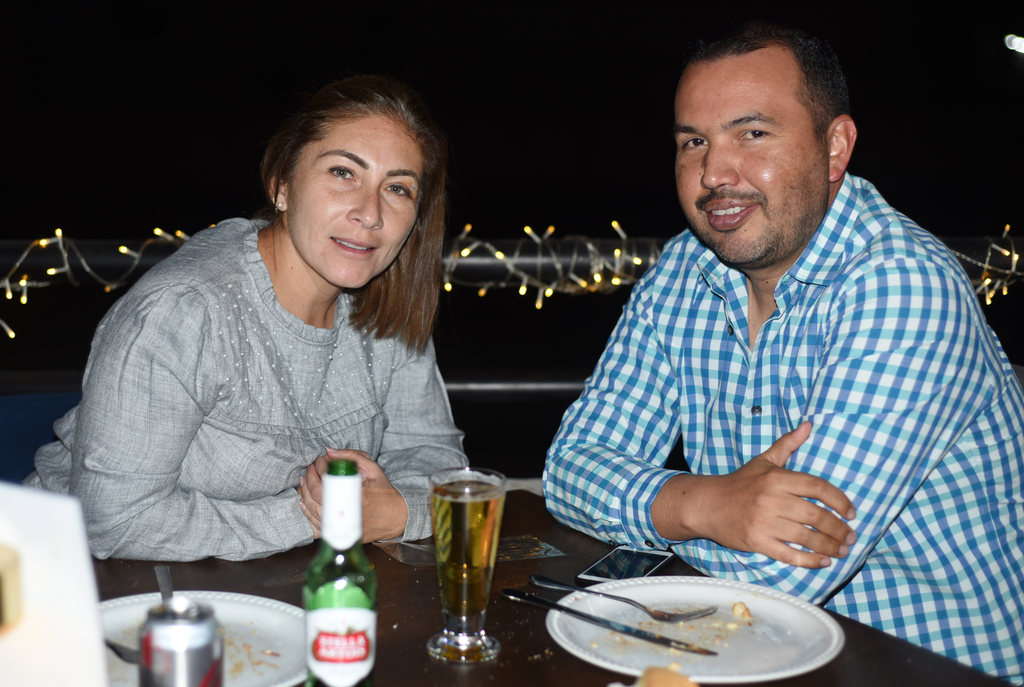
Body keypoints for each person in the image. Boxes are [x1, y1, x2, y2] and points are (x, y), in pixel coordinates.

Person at [544, 24, 1024, 682]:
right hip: (758, 657)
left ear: (835, 148)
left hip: (932, 667)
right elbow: (568, 470)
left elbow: (782, 570)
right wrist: (704, 504)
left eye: (752, 133)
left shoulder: (901, 283)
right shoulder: (684, 269)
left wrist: (660, 510)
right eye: (693, 142)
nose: (713, 174)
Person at [26, 75, 468, 561]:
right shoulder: (184, 311)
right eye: (343, 173)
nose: (370, 213)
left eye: (398, 188)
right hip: (69, 572)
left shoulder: (387, 304)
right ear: (282, 185)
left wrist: (401, 510)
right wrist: (320, 516)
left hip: (268, 580)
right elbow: (113, 521)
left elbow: (435, 459)